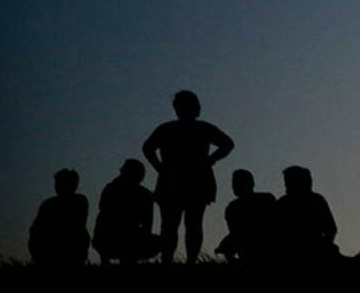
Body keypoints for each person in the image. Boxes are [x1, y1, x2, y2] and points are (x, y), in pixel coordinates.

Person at [142, 90, 234, 263]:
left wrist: (210, 159)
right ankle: (177, 260)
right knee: (181, 225)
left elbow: (228, 144)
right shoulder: (193, 128)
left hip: (187, 181)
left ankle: (178, 260)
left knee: (180, 225)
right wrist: (210, 160)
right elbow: (147, 147)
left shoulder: (173, 128)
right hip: (183, 181)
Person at [275, 166, 360, 263]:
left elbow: (331, 229)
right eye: (286, 182)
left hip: (318, 247)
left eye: (288, 182)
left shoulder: (316, 200)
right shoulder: (283, 203)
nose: (286, 186)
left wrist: (325, 243)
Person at [92, 159, 159, 264]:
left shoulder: (111, 188)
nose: (120, 173)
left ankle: (121, 259)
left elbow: (147, 225)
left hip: (118, 238)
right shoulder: (144, 195)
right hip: (110, 237)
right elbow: (147, 225)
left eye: (123, 171)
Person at [30, 169, 89, 266]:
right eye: (56, 183)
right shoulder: (47, 205)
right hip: (49, 249)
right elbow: (36, 229)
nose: (56, 186)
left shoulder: (79, 201)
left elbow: (76, 226)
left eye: (60, 183)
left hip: (70, 248)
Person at [216, 169, 277, 263]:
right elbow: (236, 233)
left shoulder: (265, 199)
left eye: (237, 183)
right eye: (234, 183)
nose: (233, 186)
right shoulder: (266, 198)